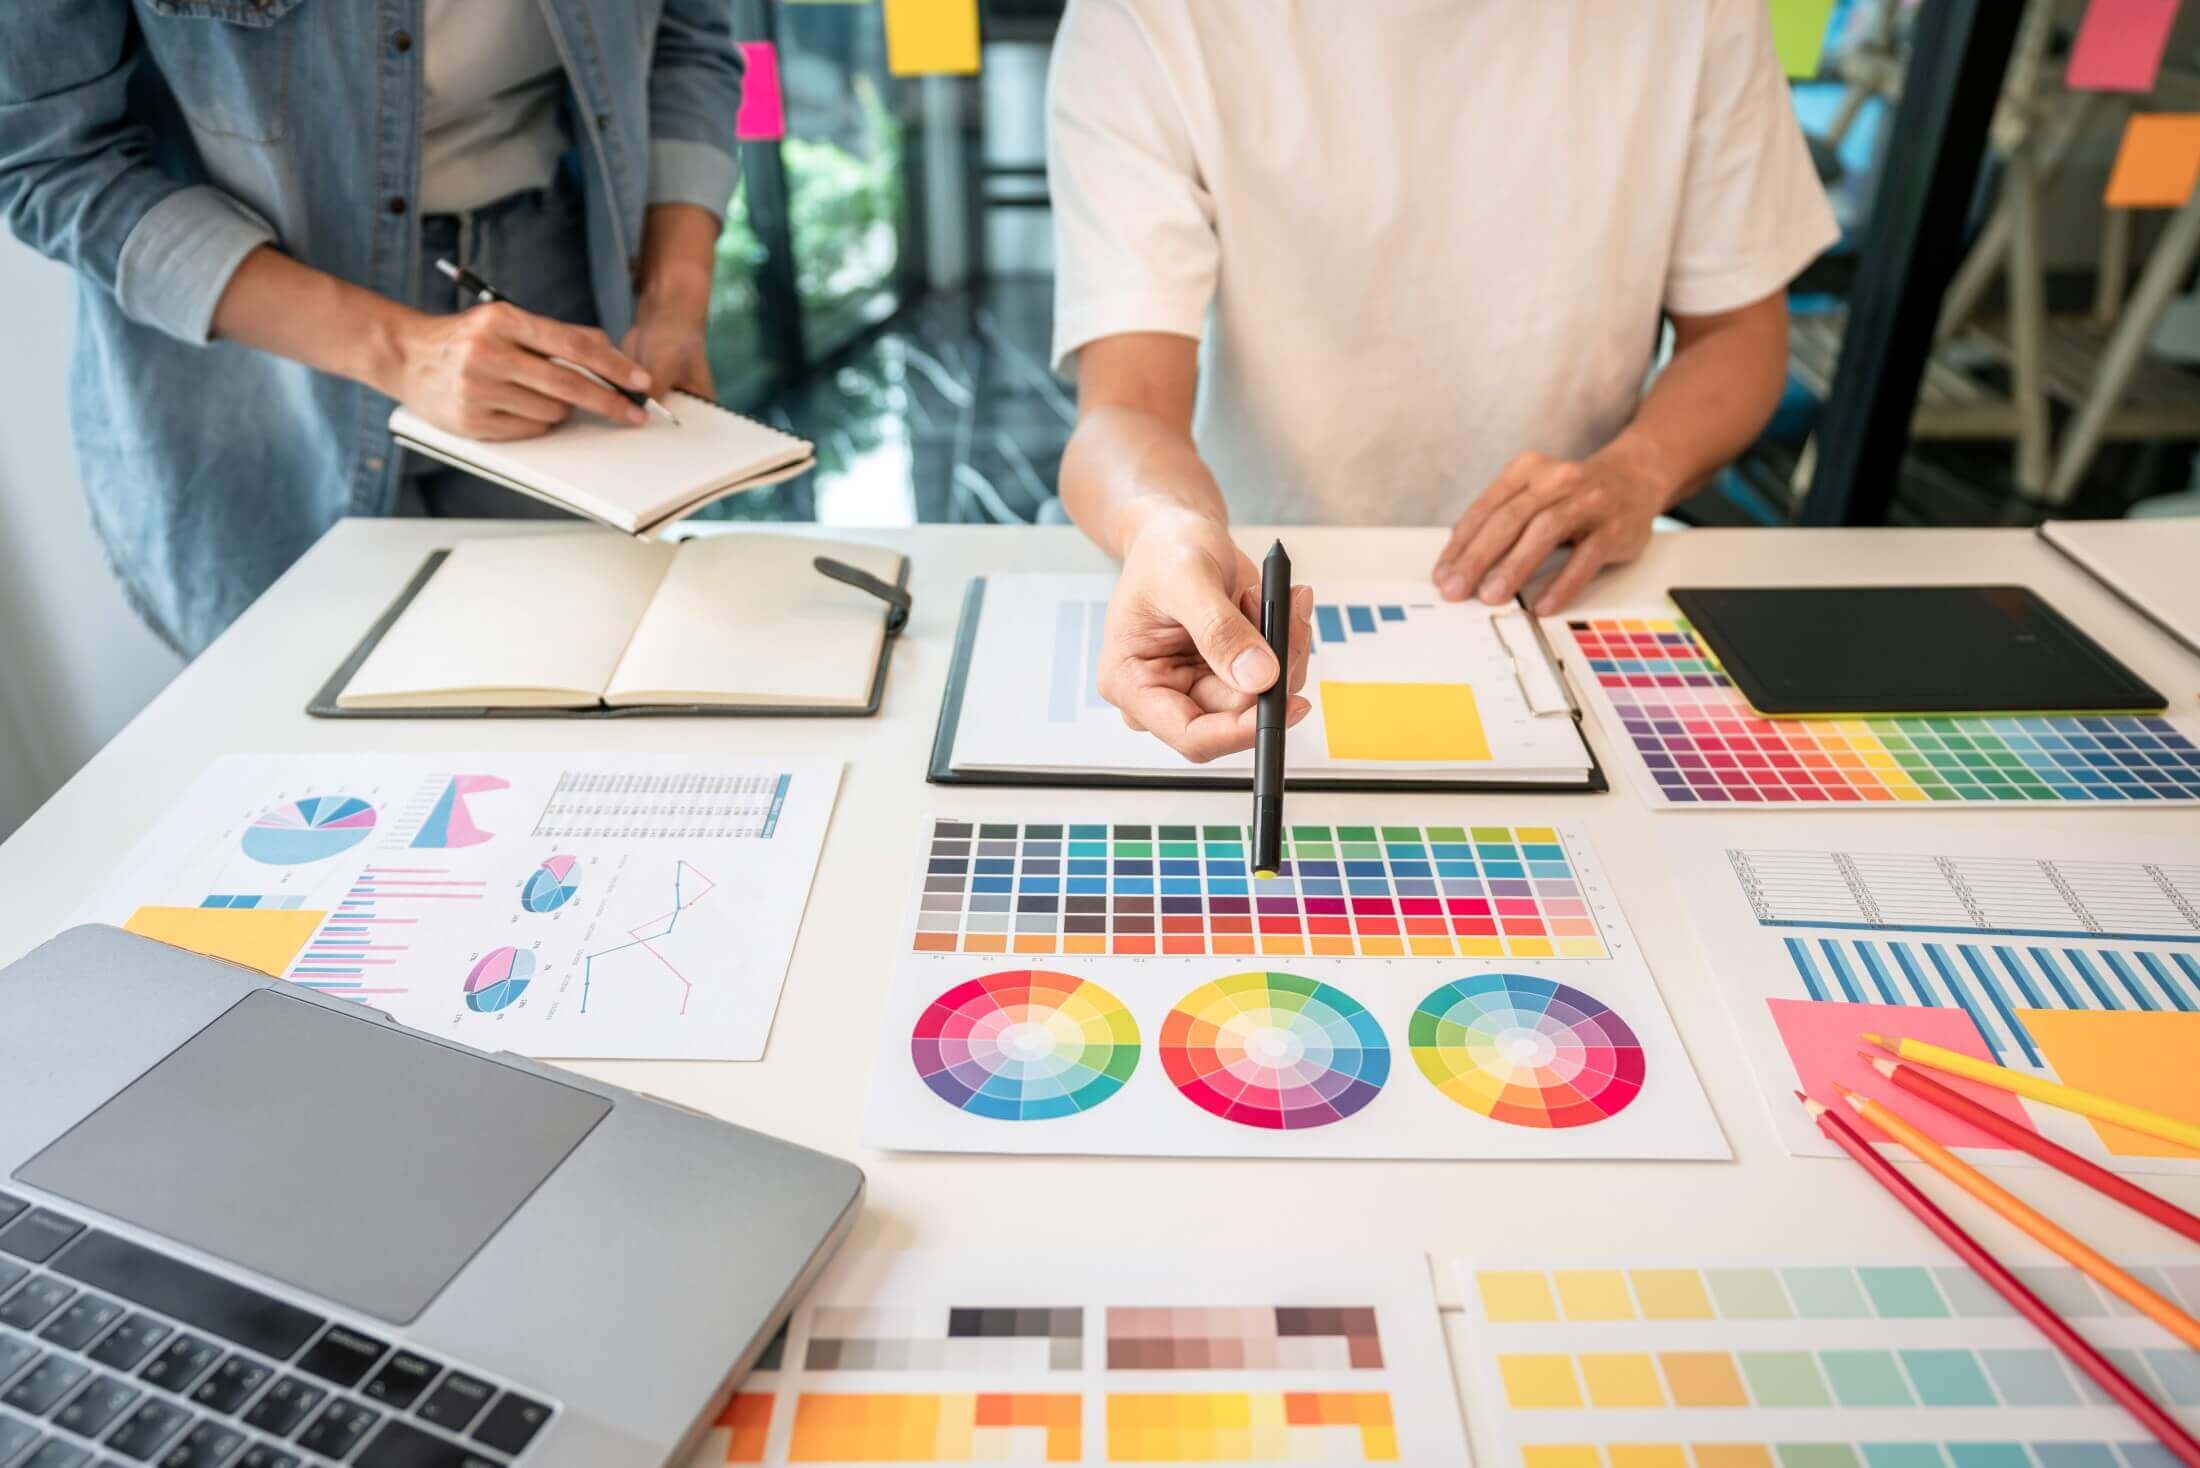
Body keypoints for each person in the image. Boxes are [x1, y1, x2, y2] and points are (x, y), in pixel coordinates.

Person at [1047, 0, 1838, 762]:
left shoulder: (1698, 12)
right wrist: (1161, 525)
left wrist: (1639, 470)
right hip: (1247, 570)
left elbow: (1737, 333)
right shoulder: (1148, 17)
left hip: (1562, 587)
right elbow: (1126, 406)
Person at [0, 1, 743, 655]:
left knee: (574, 681)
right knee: (308, 724)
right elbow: (50, 161)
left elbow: (690, 40)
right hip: (260, 357)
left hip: (556, 292)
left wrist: (672, 300)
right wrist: (402, 352)